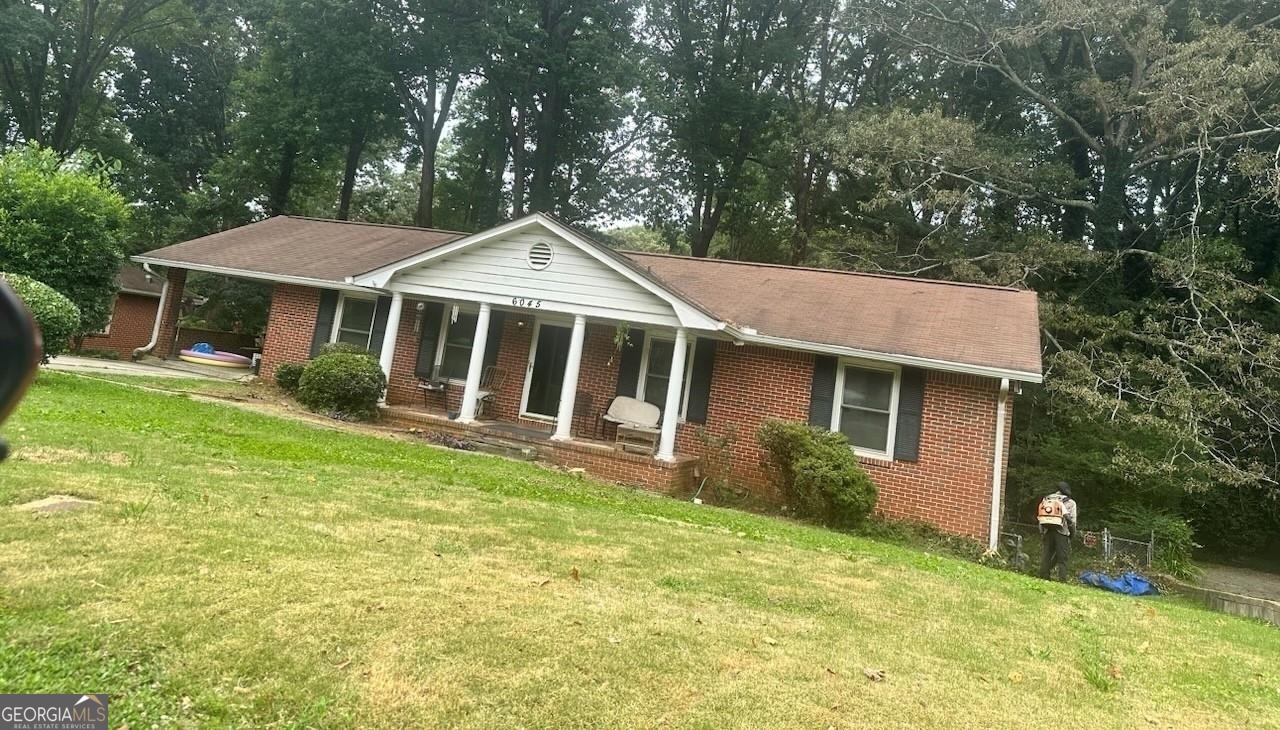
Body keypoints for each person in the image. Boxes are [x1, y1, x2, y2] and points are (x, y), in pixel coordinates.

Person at [1036, 482, 1077, 581]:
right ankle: (1062, 579)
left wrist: (1042, 532)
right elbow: (1072, 522)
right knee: (1062, 557)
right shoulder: (1070, 502)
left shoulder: (1046, 499)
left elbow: (1041, 516)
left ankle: (1044, 576)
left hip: (1047, 530)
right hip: (1062, 532)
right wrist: (1071, 534)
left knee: (1046, 555)